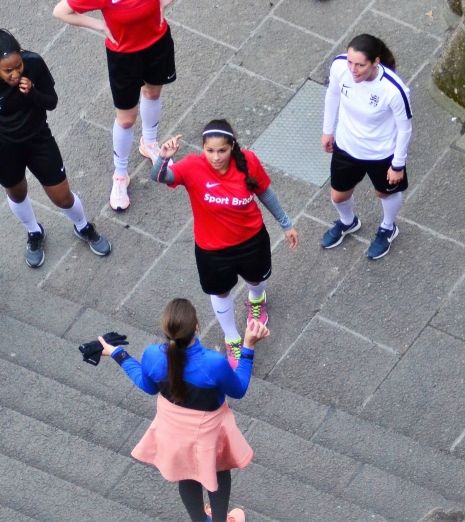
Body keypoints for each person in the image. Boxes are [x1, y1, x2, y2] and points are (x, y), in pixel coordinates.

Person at [53, 0, 202, 212]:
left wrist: (165, 0)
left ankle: (150, 142)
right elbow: (61, 11)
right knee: (125, 119)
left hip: (157, 45)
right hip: (123, 57)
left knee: (153, 93)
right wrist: (100, 25)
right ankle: (120, 174)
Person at [100, 298, 267, 522]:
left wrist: (118, 353)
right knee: (218, 470)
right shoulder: (214, 363)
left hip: (173, 429)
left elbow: (148, 386)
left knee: (186, 474)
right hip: (208, 431)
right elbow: (239, 390)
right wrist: (248, 347)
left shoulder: (152, 355)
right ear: (196, 327)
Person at [152, 120, 298, 367]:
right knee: (220, 292)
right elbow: (159, 176)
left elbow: (264, 192)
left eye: (222, 150)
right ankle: (232, 339)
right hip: (212, 250)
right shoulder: (192, 166)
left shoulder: (248, 161)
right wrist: (163, 158)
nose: (216, 157)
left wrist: (286, 224)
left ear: (232, 146)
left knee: (256, 280)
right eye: (210, 150)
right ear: (203, 148)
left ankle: (257, 300)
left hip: (251, 241)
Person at [0, 30, 111, 268]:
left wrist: (33, 92)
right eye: (8, 71)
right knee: (17, 193)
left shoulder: (34, 63)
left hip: (39, 140)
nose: (15, 74)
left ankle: (83, 226)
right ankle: (34, 232)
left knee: (63, 197)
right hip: (3, 149)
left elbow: (52, 102)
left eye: (18, 67)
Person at [321, 34, 412, 260]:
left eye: (360, 65)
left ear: (375, 62)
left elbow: (405, 129)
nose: (353, 69)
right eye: (350, 62)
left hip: (380, 153)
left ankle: (388, 227)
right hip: (346, 146)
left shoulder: (393, 90)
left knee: (384, 193)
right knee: (338, 196)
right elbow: (332, 94)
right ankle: (348, 222)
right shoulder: (339, 67)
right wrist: (327, 131)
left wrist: (397, 165)